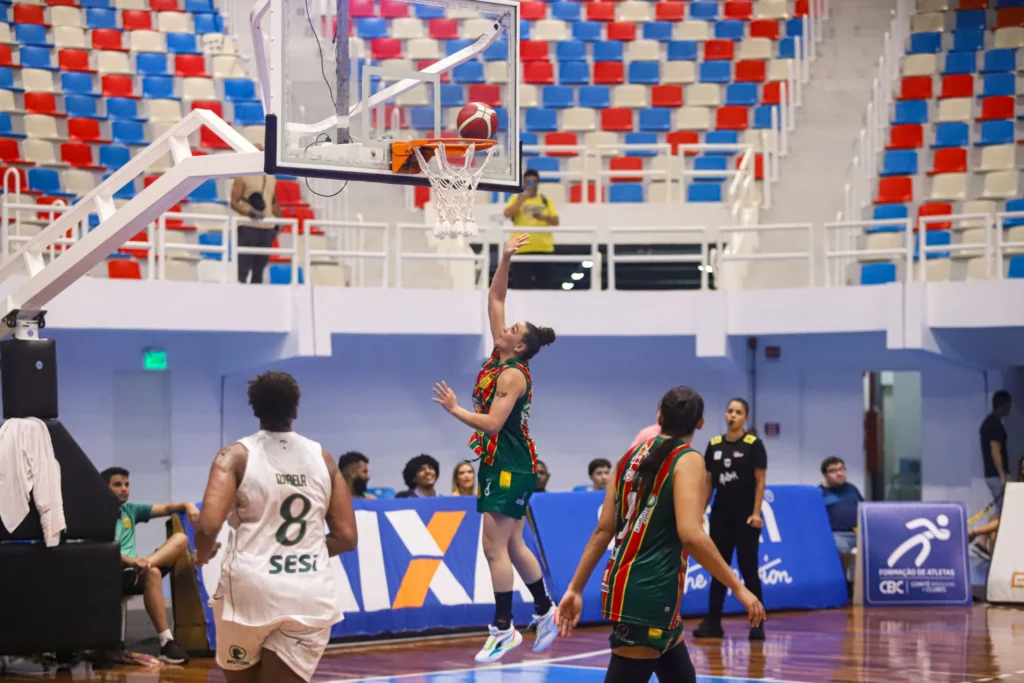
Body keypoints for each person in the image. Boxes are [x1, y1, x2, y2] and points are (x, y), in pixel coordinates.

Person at [554, 387, 765, 683]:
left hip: (636, 590)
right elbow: (691, 535)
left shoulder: (627, 457)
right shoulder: (688, 459)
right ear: (701, 423)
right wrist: (738, 588)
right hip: (650, 594)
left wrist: (575, 588)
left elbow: (603, 529)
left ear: (659, 416)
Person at [430, 233, 558, 663]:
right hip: (502, 462)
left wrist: (454, 409)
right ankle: (545, 610)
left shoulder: (512, 375)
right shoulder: (499, 357)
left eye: (513, 330)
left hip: (509, 464)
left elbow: (493, 423)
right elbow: (495, 297)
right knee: (515, 544)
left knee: (493, 547)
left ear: (519, 346)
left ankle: (504, 628)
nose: (505, 328)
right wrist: (505, 258)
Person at [193, 371, 357, 683]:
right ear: (295, 408)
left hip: (249, 590)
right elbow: (347, 538)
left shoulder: (233, 456)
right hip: (309, 591)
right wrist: (304, 549)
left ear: (254, 409)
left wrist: (201, 556)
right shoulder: (322, 457)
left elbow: (207, 528)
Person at [102, 466, 197, 664]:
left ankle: (166, 643)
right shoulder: (95, 516)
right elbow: (100, 550)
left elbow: (167, 509)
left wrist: (188, 505)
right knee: (152, 573)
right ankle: (143, 566)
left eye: (127, 484)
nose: (124, 489)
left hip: (136, 570)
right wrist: (130, 560)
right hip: (111, 572)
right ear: (104, 488)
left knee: (179, 540)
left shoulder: (130, 510)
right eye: (118, 485)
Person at [693, 398, 768, 641]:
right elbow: (708, 482)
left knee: (749, 570)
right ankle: (713, 622)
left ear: (746, 418)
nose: (733, 415)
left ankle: (757, 624)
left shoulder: (754, 445)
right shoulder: (714, 445)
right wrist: (701, 511)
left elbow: (760, 481)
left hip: (745, 516)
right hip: (721, 515)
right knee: (718, 568)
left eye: (738, 412)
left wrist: (756, 513)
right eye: (730, 411)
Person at [502, 170, 559, 290]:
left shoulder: (545, 200)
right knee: (520, 288)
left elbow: (555, 221)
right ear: (523, 182)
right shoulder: (516, 199)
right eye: (528, 182)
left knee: (546, 288)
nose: (531, 184)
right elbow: (507, 214)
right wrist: (522, 199)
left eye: (534, 181)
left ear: (538, 183)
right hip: (521, 250)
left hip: (544, 250)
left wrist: (542, 217)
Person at [231, 164, 281, 284]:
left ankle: (257, 295)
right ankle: (239, 293)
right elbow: (234, 202)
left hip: (267, 228)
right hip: (248, 226)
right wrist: (249, 213)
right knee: (242, 270)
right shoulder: (243, 176)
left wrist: (281, 220)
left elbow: (273, 201)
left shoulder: (271, 177)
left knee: (259, 271)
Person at [819, 456, 863, 587]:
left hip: (858, 532)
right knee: (841, 548)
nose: (839, 473)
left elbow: (863, 508)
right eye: (834, 471)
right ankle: (842, 583)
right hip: (836, 534)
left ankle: (863, 586)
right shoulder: (820, 493)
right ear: (825, 475)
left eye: (842, 469)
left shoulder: (852, 489)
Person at [980, 391, 1012, 513]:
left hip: (993, 475)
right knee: (1005, 509)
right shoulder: (994, 425)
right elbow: (995, 451)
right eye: (1008, 404)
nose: (1010, 408)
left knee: (1001, 509)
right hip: (996, 475)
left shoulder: (990, 423)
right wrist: (1002, 476)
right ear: (1002, 404)